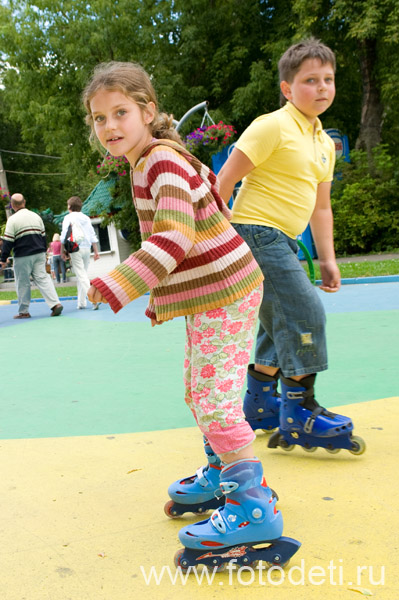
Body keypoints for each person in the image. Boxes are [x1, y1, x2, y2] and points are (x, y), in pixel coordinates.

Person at [81, 61, 301, 569]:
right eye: (99, 118)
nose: (110, 126)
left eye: (121, 112)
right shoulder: (156, 159)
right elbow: (211, 197)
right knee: (200, 389)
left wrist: (116, 283)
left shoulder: (158, 160)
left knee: (213, 397)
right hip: (219, 290)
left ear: (147, 111)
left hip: (226, 292)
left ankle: (253, 509)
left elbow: (174, 236)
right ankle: (220, 472)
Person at [218, 38, 365, 455]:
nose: (322, 88)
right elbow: (224, 181)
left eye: (328, 80)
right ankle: (301, 411)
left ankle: (261, 403)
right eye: (310, 80)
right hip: (255, 231)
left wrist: (328, 259)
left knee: (276, 321)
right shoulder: (273, 126)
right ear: (287, 88)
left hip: (283, 238)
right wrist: (224, 229)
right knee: (304, 312)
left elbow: (321, 207)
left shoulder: (323, 142)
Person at [0, 193, 63, 318]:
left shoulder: (12, 220)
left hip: (23, 255)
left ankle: (24, 311)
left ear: (12, 205)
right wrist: (44, 252)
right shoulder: (36, 217)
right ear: (24, 202)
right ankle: (55, 304)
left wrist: (3, 259)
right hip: (39, 253)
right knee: (43, 278)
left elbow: (8, 242)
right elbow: (43, 237)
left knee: (22, 282)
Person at [60, 196, 100, 309]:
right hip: (87, 248)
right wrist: (96, 251)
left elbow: (64, 236)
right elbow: (92, 235)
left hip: (75, 247)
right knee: (82, 275)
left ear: (69, 206)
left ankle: (93, 298)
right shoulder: (86, 218)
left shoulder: (68, 218)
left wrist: (62, 251)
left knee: (81, 275)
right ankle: (81, 302)